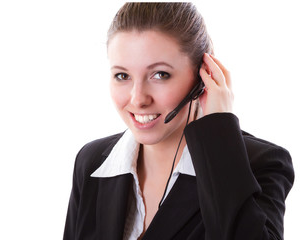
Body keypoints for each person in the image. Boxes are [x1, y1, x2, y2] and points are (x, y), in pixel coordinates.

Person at [63, 3, 294, 240]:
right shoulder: (91, 162)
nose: (138, 98)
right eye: (122, 76)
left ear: (203, 76)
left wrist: (219, 126)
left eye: (160, 75)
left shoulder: (258, 164)